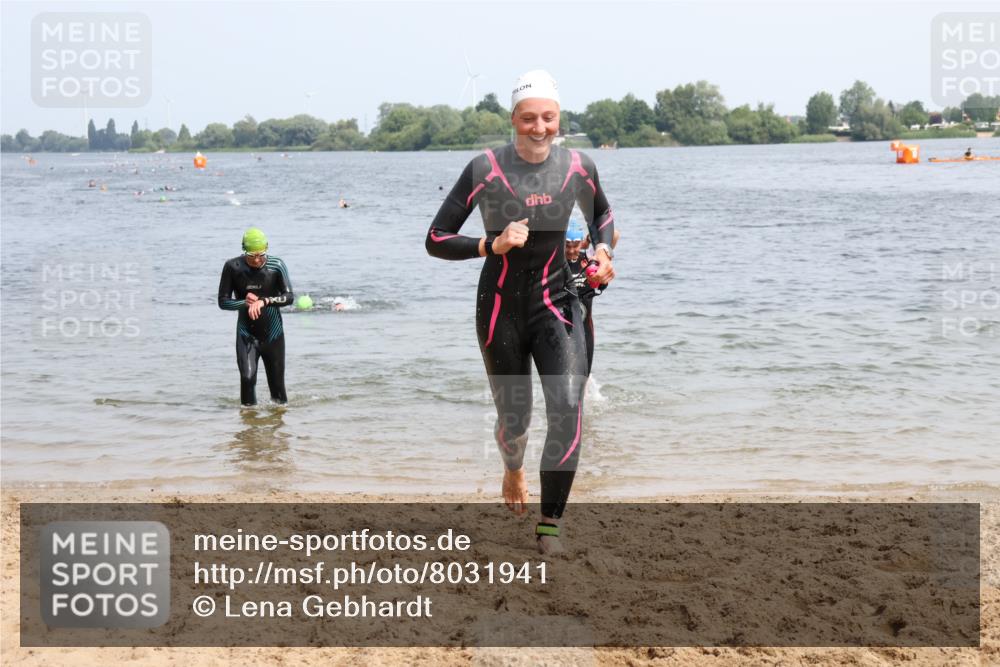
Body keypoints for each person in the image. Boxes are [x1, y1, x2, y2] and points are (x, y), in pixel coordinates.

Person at [426, 70, 617, 553]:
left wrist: (602, 252)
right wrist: (492, 243)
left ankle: (550, 525)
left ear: (559, 119)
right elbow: (436, 238)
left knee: (568, 408)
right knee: (516, 421)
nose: (539, 127)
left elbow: (604, 217)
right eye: (529, 118)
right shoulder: (485, 168)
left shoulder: (578, 166)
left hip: (559, 305)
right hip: (500, 310)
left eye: (548, 118)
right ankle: (512, 469)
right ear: (513, 119)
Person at [217, 228, 295, 406]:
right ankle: (248, 429)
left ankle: (278, 429)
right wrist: (244, 302)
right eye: (251, 256)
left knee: (277, 391)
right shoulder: (232, 267)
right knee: (247, 379)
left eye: (261, 255)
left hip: (273, 335)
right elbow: (223, 302)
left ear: (267, 248)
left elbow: (289, 297)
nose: (257, 260)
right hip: (246, 335)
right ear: (243, 250)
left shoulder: (277, 265)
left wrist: (264, 301)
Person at [565, 220, 620, 374]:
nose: (571, 251)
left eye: (575, 245)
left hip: (585, 329)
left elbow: (614, 235)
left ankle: (587, 396)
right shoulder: (555, 263)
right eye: (567, 246)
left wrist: (589, 240)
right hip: (560, 328)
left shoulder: (589, 259)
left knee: (584, 375)